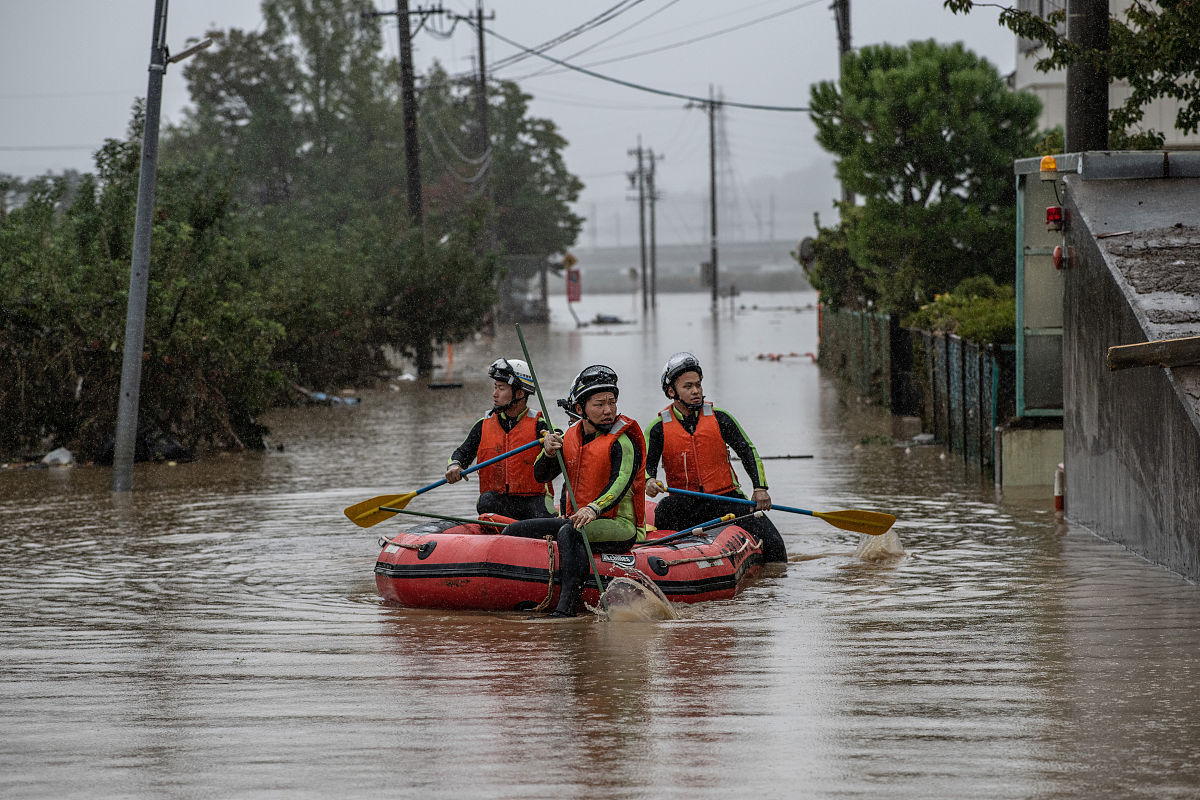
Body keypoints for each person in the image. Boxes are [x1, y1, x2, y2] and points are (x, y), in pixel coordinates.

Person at [504, 365, 647, 617]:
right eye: (599, 404)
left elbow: (621, 482)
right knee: (515, 531)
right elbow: (541, 475)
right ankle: (517, 595)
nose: (608, 410)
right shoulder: (569, 436)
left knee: (570, 532)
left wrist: (594, 508)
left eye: (612, 402)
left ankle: (566, 610)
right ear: (580, 409)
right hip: (577, 519)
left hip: (618, 524)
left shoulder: (622, 442)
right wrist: (547, 452)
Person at [644, 352, 787, 562]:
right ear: (671, 391)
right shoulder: (657, 428)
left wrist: (760, 489)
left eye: (698, 385)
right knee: (665, 509)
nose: (695, 391)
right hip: (684, 503)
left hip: (725, 499)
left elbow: (748, 451)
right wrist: (648, 481)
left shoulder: (720, 418)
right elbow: (646, 467)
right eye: (688, 386)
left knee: (774, 544)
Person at [444, 357, 555, 520]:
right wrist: (454, 466)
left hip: (535, 501)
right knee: (486, 500)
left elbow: (558, 436)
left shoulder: (540, 425)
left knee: (541, 514)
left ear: (520, 393)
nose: (494, 394)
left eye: (501, 388)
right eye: (495, 387)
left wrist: (551, 443)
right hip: (500, 502)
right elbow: (462, 453)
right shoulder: (483, 425)